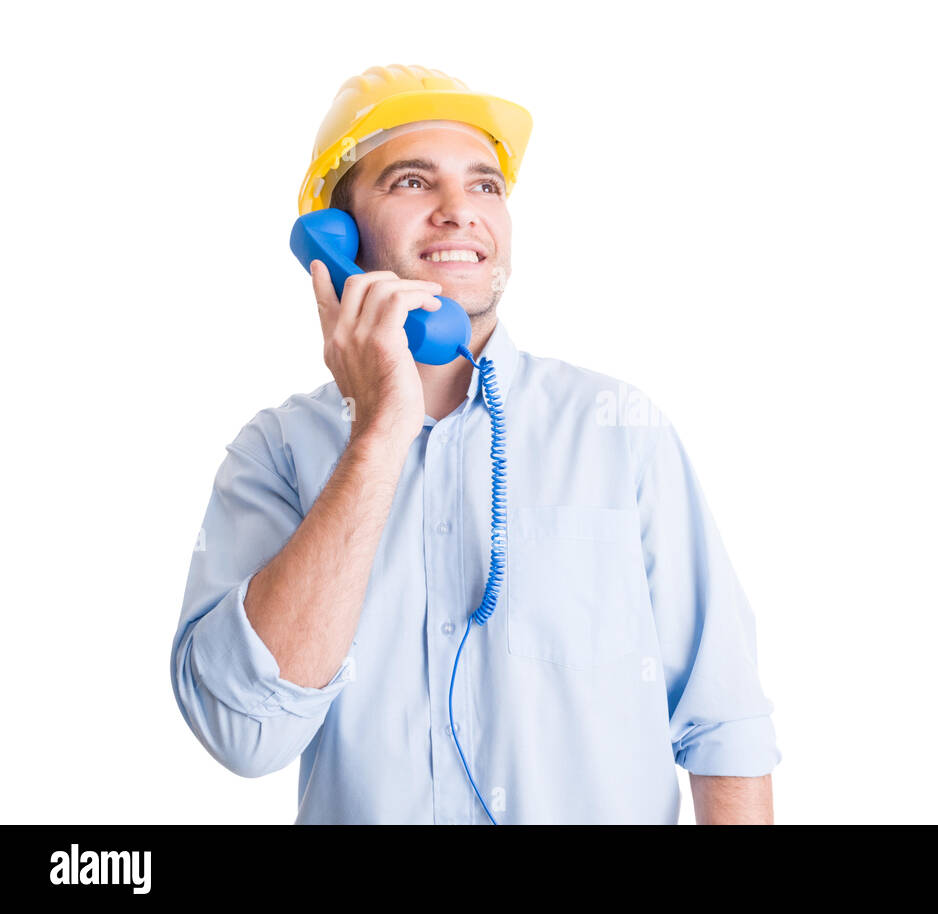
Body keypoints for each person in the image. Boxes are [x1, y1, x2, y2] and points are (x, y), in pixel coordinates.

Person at [169, 64, 781, 824]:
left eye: (486, 186)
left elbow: (725, 724)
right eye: (413, 182)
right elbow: (242, 734)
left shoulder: (619, 431)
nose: (461, 212)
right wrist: (379, 432)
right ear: (337, 235)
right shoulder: (277, 452)